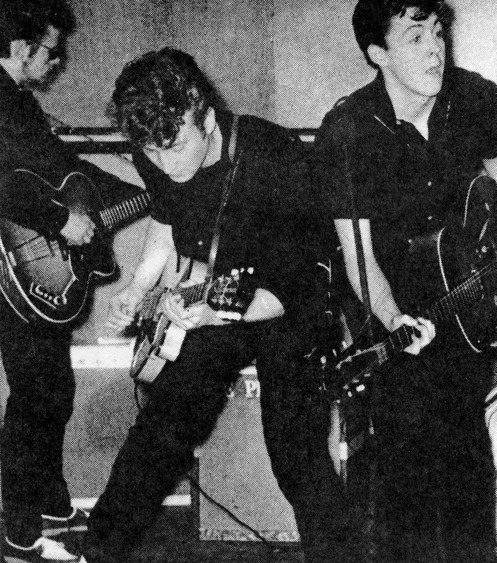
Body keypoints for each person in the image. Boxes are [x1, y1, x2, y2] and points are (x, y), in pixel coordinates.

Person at [80, 48, 355, 563]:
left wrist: (222, 311)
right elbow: (164, 219)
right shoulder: (157, 142)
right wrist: (137, 289)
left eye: (175, 147)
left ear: (206, 117)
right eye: (151, 153)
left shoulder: (277, 157)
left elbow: (308, 278)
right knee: (163, 427)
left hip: (289, 300)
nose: (164, 164)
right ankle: (97, 552)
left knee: (295, 454)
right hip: (217, 292)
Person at [312, 1, 497, 560]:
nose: (435, 48)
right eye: (415, 38)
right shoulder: (347, 130)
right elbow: (356, 250)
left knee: (468, 461)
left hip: (469, 295)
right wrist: (392, 319)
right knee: (403, 477)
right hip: (395, 306)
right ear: (377, 53)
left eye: (438, 32)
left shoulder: (476, 96)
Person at [0, 2, 142, 561]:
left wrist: (154, 183)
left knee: (51, 388)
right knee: (37, 395)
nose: (57, 61)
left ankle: (50, 504)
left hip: (36, 270)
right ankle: (17, 531)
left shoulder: (20, 106)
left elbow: (61, 168)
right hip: (17, 265)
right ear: (18, 47)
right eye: (50, 50)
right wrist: (60, 221)